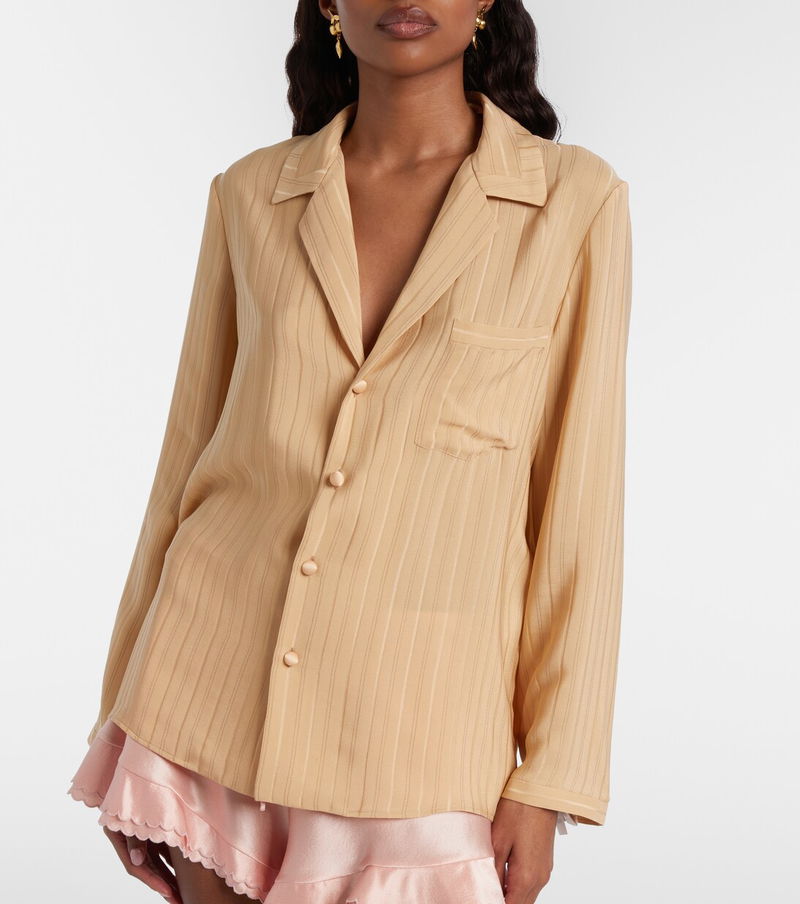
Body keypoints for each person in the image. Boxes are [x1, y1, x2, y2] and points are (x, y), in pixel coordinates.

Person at [67, 2, 633, 903]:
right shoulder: (250, 194)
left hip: (421, 735)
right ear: (330, 3)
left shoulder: (573, 203)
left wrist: (553, 777)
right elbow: (185, 464)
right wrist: (121, 719)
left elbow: (580, 510)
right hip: (207, 701)